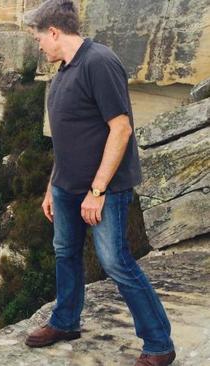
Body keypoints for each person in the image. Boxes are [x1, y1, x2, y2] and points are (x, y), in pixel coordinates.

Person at [20, 1, 176, 365]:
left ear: (54, 32)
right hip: (65, 187)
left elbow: (121, 129)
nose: (38, 45)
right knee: (65, 252)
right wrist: (50, 186)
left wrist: (97, 190)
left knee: (115, 262)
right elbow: (66, 137)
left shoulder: (99, 62)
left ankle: (159, 345)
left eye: (38, 38)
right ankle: (66, 322)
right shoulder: (62, 72)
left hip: (103, 188)